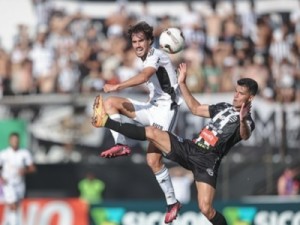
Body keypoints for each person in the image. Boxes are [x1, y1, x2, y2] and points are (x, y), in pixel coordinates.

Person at [91, 63, 258, 225]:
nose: (236, 96)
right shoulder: (224, 107)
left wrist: (242, 120)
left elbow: (245, 135)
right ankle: (106, 122)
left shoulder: (248, 121)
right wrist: (182, 83)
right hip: (190, 148)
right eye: (236, 92)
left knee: (206, 209)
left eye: (241, 94)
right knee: (152, 132)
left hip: (208, 161)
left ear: (250, 97)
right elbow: (195, 108)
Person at [95, 21, 182, 223]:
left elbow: (145, 76)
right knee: (111, 104)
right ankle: (121, 144)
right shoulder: (145, 57)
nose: (137, 45)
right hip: (151, 107)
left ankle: (172, 202)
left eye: (141, 40)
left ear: (150, 40)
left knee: (153, 160)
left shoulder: (157, 55)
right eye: (134, 41)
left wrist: (118, 86)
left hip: (166, 111)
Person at [0, 132, 37, 225]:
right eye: (13, 140)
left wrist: (25, 171)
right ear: (9, 141)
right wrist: (1, 178)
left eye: (16, 140)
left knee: (16, 207)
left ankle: (7, 222)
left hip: (19, 183)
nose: (15, 142)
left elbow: (32, 168)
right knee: (13, 205)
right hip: (8, 183)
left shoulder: (24, 153)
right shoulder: (4, 154)